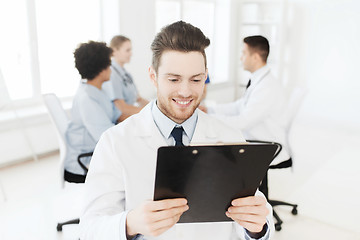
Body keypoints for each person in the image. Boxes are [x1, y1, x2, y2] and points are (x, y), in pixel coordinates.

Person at [79, 22, 274, 240]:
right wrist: (129, 223)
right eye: (173, 79)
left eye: (196, 79)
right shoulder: (115, 142)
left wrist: (256, 228)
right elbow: (89, 229)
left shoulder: (230, 137)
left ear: (205, 76)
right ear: (153, 76)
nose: (185, 91)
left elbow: (256, 214)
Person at [202, 35, 288, 164]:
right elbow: (239, 106)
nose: (241, 58)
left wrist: (211, 117)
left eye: (244, 53)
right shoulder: (259, 79)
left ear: (255, 57)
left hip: (266, 144)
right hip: (255, 137)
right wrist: (209, 110)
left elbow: (243, 122)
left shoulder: (267, 87)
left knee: (215, 150)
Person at [64, 41, 125, 180]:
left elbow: (117, 115)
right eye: (109, 64)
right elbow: (106, 138)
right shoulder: (87, 98)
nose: (111, 68)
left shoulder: (97, 90)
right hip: (84, 163)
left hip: (96, 153)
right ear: (101, 69)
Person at [102, 35, 149, 120]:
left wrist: (156, 107)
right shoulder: (111, 74)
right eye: (127, 50)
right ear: (114, 51)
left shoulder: (126, 74)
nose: (131, 53)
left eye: (131, 50)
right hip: (120, 120)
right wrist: (148, 112)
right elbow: (122, 107)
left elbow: (138, 98)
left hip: (130, 116)